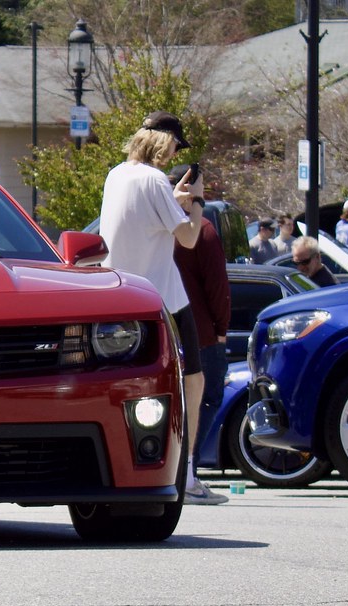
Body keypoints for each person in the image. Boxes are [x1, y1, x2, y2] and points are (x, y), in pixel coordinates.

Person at [99, 111, 227, 505]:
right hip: (162, 297)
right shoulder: (155, 179)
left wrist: (174, 202)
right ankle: (185, 472)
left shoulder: (117, 174)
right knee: (193, 378)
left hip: (116, 291)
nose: (175, 154)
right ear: (164, 141)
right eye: (175, 144)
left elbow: (142, 219)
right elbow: (188, 239)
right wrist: (198, 201)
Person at [168, 165, 231, 467]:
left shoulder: (159, 226)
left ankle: (178, 469)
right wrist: (221, 329)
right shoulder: (202, 230)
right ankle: (188, 470)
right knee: (206, 398)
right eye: (201, 187)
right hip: (202, 332)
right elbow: (218, 287)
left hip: (165, 328)